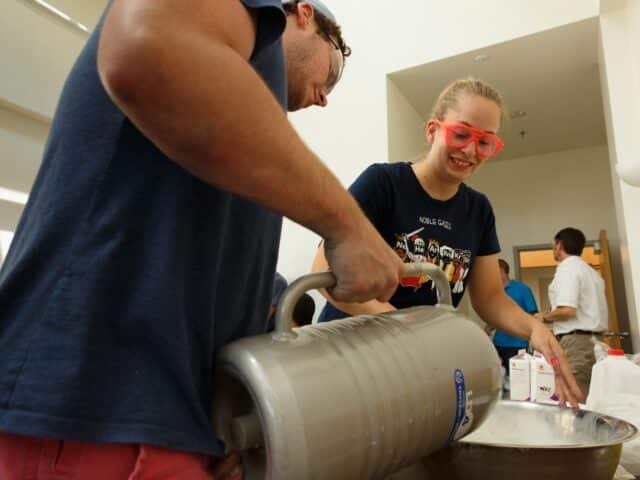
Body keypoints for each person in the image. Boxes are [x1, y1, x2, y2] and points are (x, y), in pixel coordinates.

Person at [0, 1, 405, 479]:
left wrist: (230, 421)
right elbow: (148, 45)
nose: (325, 99)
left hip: (160, 428)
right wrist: (349, 225)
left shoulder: (239, 130)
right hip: (91, 413)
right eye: (333, 71)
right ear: (302, 14)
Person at [311, 77, 583, 407]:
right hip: (346, 356)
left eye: (485, 142)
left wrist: (534, 328)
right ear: (432, 130)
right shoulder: (383, 184)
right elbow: (325, 271)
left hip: (416, 365)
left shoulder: (478, 210)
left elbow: (490, 298)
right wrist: (400, 327)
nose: (470, 150)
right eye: (461, 133)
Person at [534, 228, 608, 397]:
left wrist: (542, 316)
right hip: (594, 342)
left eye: (554, 245)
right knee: (591, 398)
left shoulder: (568, 269)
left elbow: (567, 310)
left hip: (578, 344)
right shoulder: (590, 272)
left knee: (575, 399)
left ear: (559, 245)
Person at [492, 259, 538, 384]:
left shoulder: (523, 289)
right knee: (499, 382)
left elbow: (533, 315)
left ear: (501, 271)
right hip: (498, 344)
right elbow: (493, 317)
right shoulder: (494, 293)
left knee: (518, 382)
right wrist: (484, 331)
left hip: (517, 344)